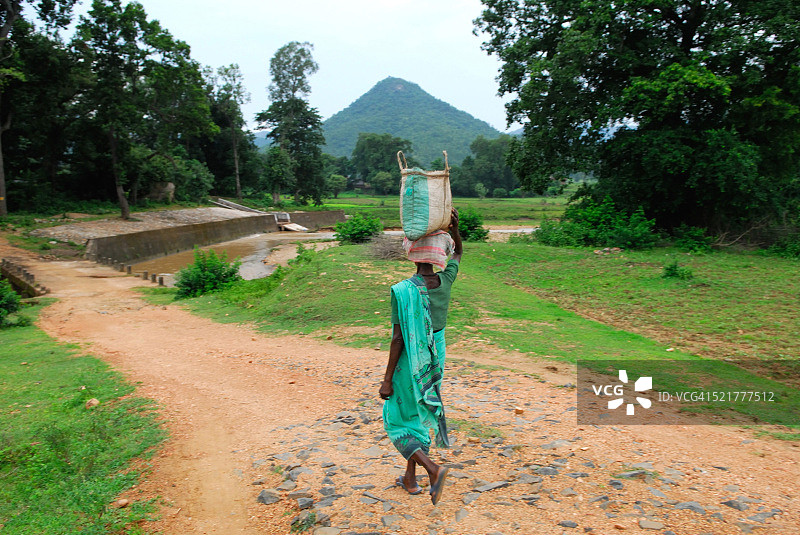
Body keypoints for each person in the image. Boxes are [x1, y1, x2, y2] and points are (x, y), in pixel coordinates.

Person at [379, 208, 463, 505]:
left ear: (413, 254)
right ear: (439, 255)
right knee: (416, 413)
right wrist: (455, 229)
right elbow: (458, 255)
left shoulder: (403, 291)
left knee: (396, 419)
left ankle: (433, 469)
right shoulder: (446, 280)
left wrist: (387, 380)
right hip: (435, 360)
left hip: (409, 362)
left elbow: (398, 339)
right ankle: (410, 479)